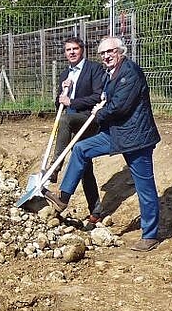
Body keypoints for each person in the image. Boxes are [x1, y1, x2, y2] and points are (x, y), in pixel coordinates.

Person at [43, 36, 161, 252]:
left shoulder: (129, 73)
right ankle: (63, 197)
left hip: (136, 138)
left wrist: (99, 111)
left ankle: (150, 235)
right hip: (116, 133)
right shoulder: (111, 74)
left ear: (120, 52)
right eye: (103, 53)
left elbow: (119, 107)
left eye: (111, 52)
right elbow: (106, 99)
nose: (106, 56)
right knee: (80, 148)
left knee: (144, 186)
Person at [49, 36, 106, 226]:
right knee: (83, 163)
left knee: (66, 119)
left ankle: (55, 166)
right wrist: (62, 93)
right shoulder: (65, 73)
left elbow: (98, 96)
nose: (71, 52)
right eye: (68, 50)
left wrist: (72, 102)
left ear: (82, 50)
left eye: (75, 49)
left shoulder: (94, 69)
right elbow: (59, 103)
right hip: (72, 120)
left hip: (89, 118)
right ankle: (96, 210)